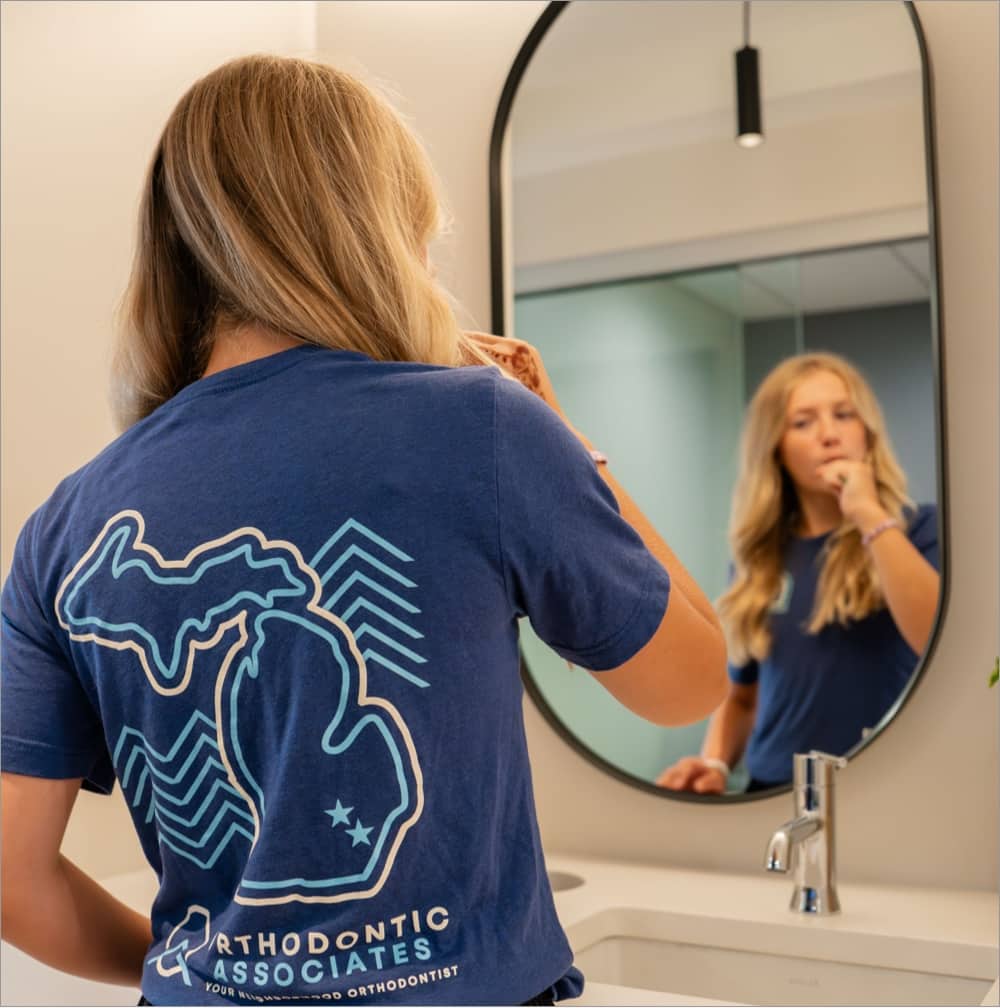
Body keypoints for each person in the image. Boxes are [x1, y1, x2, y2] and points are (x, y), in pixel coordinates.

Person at [0, 55, 727, 1007]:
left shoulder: (67, 522)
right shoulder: (484, 425)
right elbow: (689, 683)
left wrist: (205, 971)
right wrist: (573, 443)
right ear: (378, 231)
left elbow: (14, 884)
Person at [657, 353, 940, 795]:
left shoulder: (917, 529)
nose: (830, 434)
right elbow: (742, 694)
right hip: (769, 789)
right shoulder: (760, 557)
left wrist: (867, 513)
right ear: (776, 449)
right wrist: (713, 762)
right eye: (803, 422)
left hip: (882, 786)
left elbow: (937, 638)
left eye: (844, 415)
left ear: (867, 431)